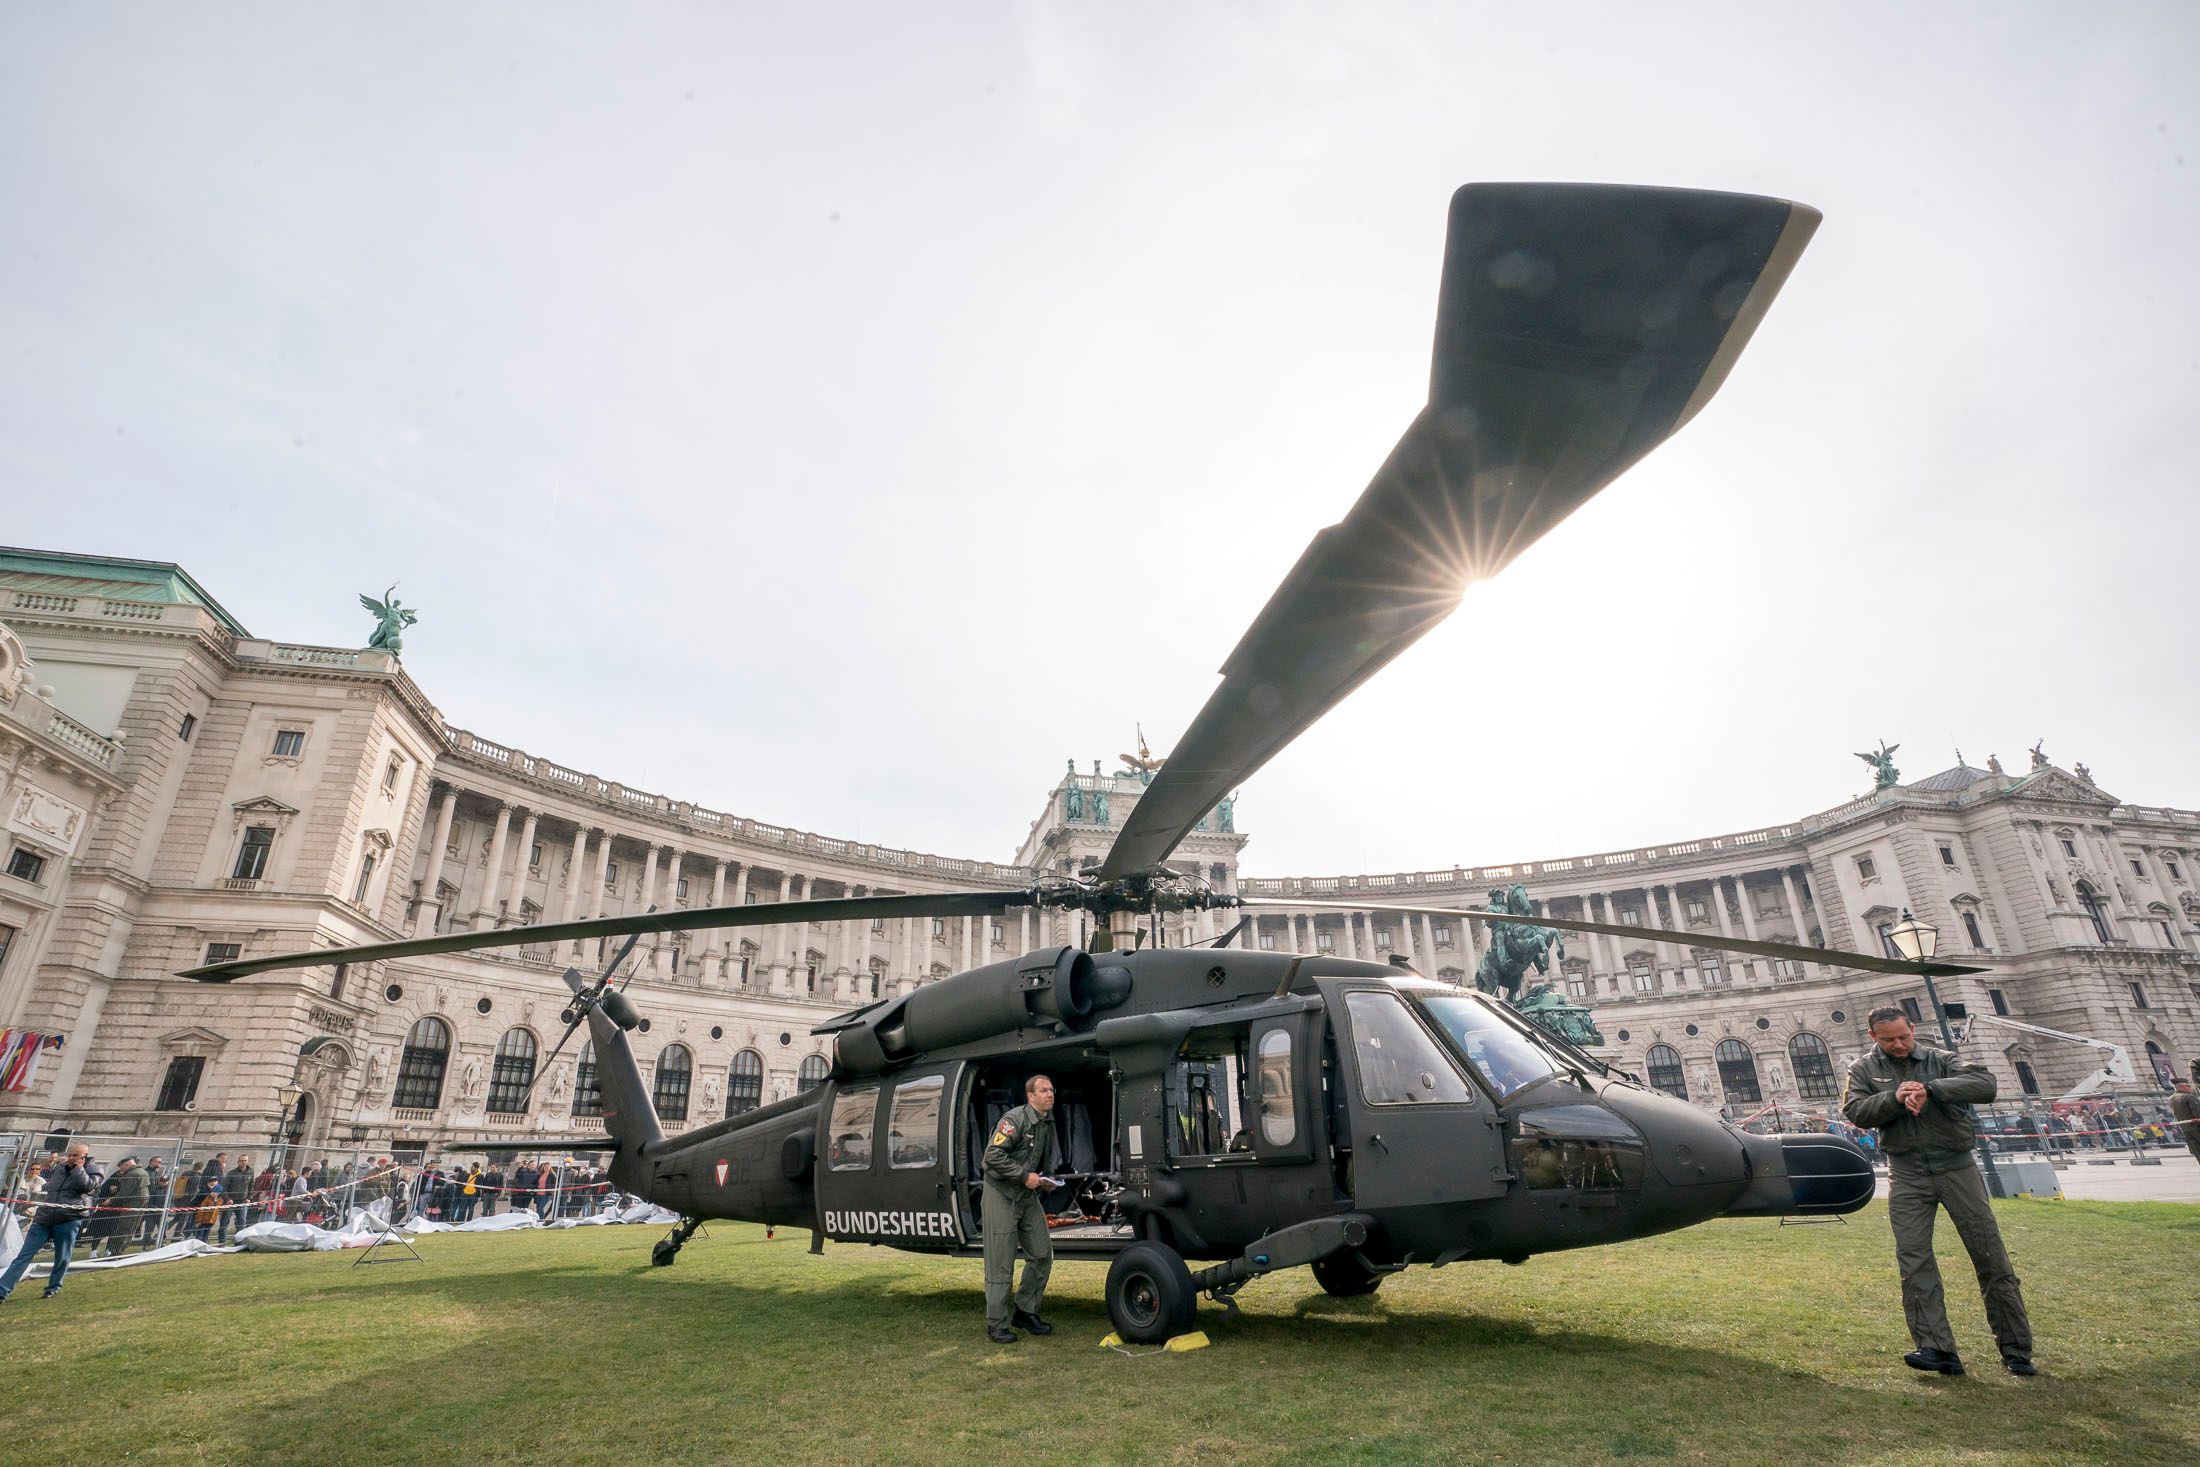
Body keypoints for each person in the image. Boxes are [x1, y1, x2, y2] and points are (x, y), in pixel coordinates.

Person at [1842, 1007, 2035, 1377]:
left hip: (1956, 1166)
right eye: (1888, 1040)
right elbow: (1856, 1111)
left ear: (1913, 1029)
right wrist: (1896, 1098)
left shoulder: (1940, 1059)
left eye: (1903, 1036)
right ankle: (1935, 1347)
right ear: (1872, 1038)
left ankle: (2016, 1350)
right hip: (1907, 1171)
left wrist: (1930, 1089)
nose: (1898, 1045)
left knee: (1990, 1255)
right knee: (1914, 1259)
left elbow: (1985, 1084)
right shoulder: (1862, 1070)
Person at [979, 1074, 1058, 1344]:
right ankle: (996, 1324)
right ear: (1030, 1096)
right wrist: (1024, 1176)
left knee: (1042, 1252)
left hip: (1027, 1196)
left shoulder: (1048, 1123)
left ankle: (1025, 1311)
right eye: (1044, 1090)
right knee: (1001, 1262)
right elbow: (992, 1156)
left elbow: (1044, 1159)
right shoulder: (1013, 1120)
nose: (1050, 1094)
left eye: (1051, 1090)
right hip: (1000, 1194)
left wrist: (1045, 1180)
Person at [1, 1142, 96, 1300]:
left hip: (69, 1218)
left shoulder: (94, 1170)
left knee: (62, 1256)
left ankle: (53, 1287)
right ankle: (2, 1290)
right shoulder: (60, 1169)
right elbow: (51, 1189)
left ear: (85, 1157)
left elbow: (87, 1186)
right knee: (24, 1255)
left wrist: (78, 1170)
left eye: (75, 1156)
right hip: (44, 1218)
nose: (71, 1158)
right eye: (70, 1155)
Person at [85, 1156, 146, 1259]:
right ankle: (93, 1250)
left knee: (114, 1232)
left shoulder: (131, 1176)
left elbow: (127, 1193)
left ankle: (109, 1250)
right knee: (99, 1231)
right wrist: (107, 1197)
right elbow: (102, 1190)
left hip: (119, 1209)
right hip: (106, 1209)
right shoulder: (114, 1178)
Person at [2170, 1078, 2200, 1165]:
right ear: (2184, 1087)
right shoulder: (2189, 1097)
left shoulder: (2171, 1099)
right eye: (2189, 1086)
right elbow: (2198, 1114)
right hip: (2197, 1129)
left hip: (2186, 1129)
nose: (2190, 1088)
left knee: (2197, 1152)